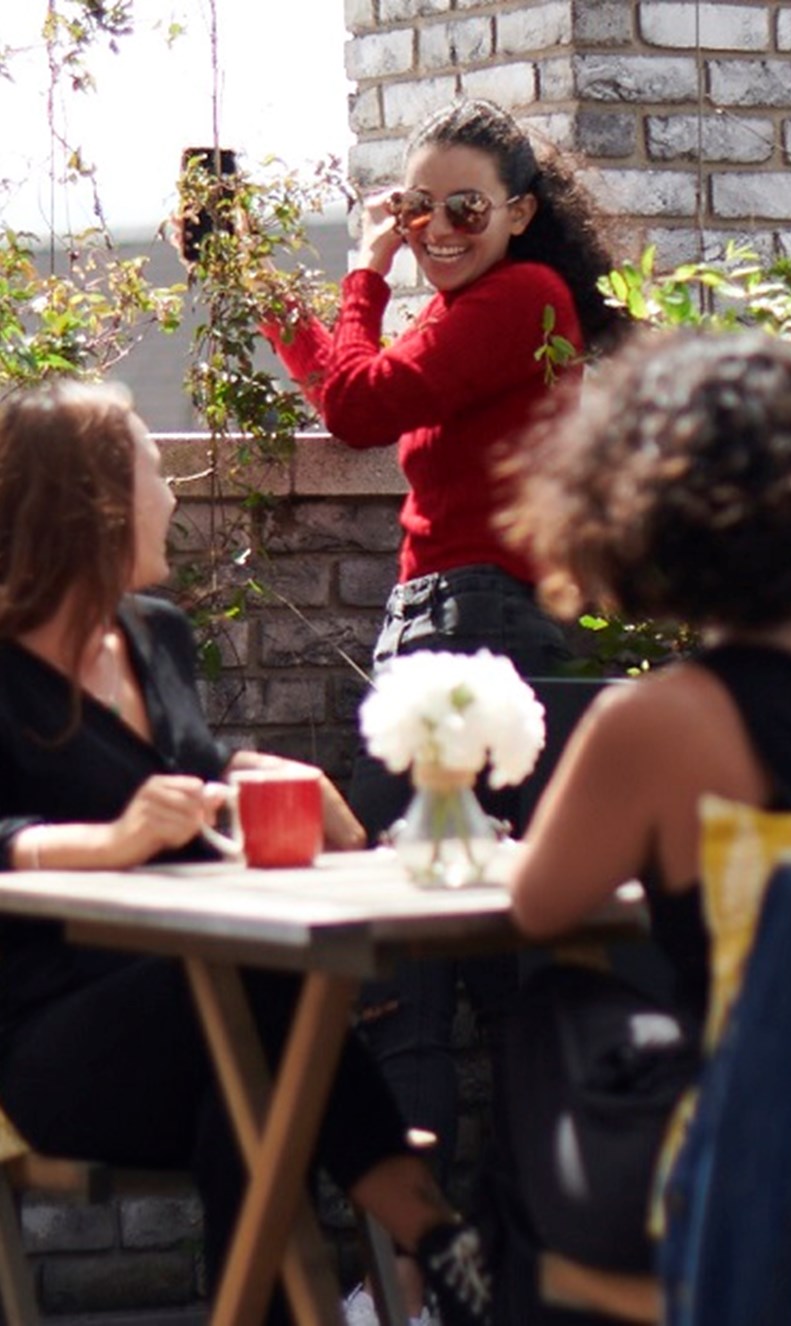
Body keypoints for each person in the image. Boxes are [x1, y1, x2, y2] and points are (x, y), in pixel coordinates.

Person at [0, 379, 495, 1326]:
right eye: (154, 470)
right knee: (265, 1001)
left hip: (213, 1032)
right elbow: (91, 813)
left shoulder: (156, 637)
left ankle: (422, 1252)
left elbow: (185, 770)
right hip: (54, 1043)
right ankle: (434, 1234)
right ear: (93, 502)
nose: (175, 493)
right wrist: (111, 843)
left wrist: (286, 792)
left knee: (256, 1097)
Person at [255, 100, 631, 1320]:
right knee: (493, 968)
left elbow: (359, 410)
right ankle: (499, 1276)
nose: (437, 229)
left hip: (468, 639)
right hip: (481, 633)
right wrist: (296, 309)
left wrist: (356, 279)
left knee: (394, 960)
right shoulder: (483, 315)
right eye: (416, 210)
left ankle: (417, 1285)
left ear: (520, 213)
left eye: (463, 208)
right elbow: (354, 392)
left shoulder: (518, 302)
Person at [494, 327, 791, 1322]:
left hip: (769, 1173)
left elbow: (540, 904)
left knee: (550, 1014)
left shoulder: (658, 724)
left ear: (636, 515)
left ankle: (481, 1291)